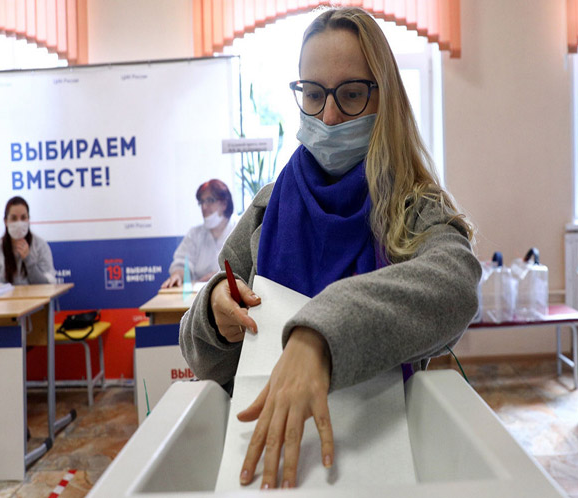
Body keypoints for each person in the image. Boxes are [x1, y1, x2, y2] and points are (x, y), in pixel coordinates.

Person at [180, 7, 481, 490]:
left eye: (352, 94)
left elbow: (457, 283)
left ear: (385, 97)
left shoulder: (415, 208)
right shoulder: (266, 209)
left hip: (379, 457)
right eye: (314, 94)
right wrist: (215, 314)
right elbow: (203, 358)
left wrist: (319, 337)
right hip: (271, 464)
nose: (330, 116)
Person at [161, 179, 236, 288]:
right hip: (199, 294)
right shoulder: (194, 234)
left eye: (210, 200)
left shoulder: (239, 230)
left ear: (224, 203)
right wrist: (178, 275)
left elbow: (247, 268)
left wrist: (219, 276)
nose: (204, 207)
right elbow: (182, 263)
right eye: (202, 202)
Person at [0, 196, 56, 285]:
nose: (19, 223)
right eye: (14, 218)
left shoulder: (40, 246)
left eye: (23, 218)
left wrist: (28, 259)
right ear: (6, 221)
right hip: (7, 295)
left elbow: (46, 285)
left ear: (28, 219)